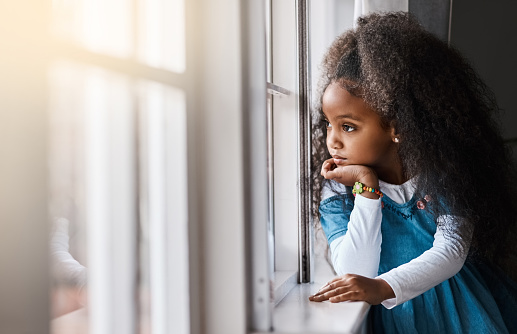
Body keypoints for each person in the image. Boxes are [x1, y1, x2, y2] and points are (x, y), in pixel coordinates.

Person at [308, 12, 517, 333]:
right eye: (328, 124)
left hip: (457, 307)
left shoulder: (440, 175)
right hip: (396, 317)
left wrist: (384, 287)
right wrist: (367, 188)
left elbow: (451, 250)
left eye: (347, 126)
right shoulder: (338, 189)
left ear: (397, 127)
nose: (331, 140)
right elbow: (353, 269)